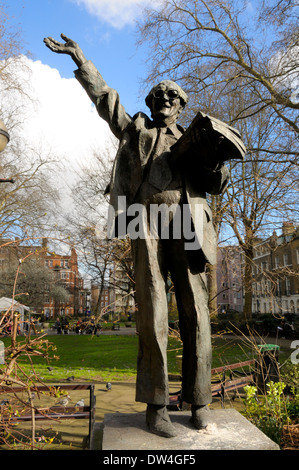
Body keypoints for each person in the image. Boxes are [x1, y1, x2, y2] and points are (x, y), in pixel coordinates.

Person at [44, 34, 243, 438]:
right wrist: (82, 60)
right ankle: (156, 407)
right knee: (153, 315)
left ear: (182, 105)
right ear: (151, 103)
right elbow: (106, 101)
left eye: (172, 95)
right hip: (144, 223)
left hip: (189, 225)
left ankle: (199, 403)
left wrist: (218, 162)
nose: (165, 99)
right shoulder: (136, 130)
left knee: (197, 315)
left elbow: (217, 182)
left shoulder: (197, 141)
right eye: (158, 95)